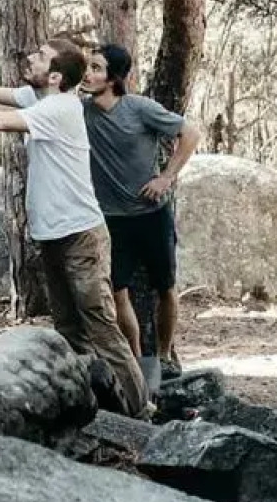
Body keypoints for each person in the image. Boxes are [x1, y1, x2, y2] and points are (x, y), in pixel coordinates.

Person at [0, 42, 148, 417]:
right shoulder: (38, 96)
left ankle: (140, 411)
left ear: (55, 77)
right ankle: (95, 408)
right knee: (69, 328)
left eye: (39, 57)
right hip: (54, 236)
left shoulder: (58, 108)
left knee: (101, 327)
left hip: (81, 236)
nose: (29, 58)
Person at [81, 44, 201, 376]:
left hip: (152, 215)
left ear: (114, 77)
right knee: (118, 292)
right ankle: (135, 363)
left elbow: (190, 133)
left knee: (165, 286)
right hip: (111, 220)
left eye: (96, 68)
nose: (88, 74)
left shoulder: (139, 108)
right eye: (87, 67)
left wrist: (165, 178)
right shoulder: (81, 111)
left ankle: (163, 357)